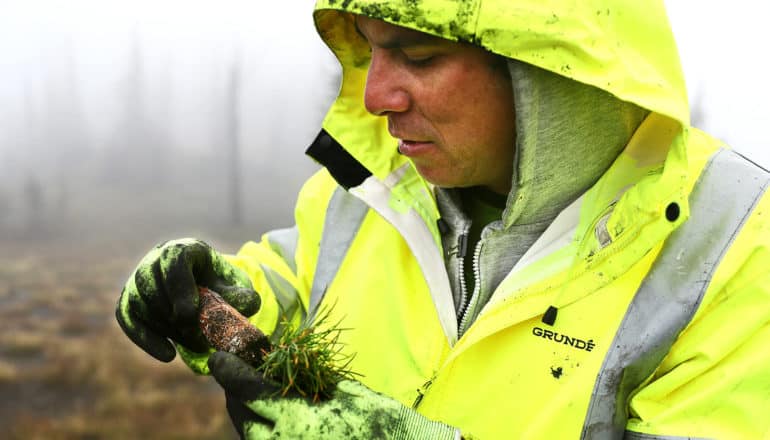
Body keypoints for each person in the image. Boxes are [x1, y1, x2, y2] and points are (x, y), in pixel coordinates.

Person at [116, 0, 770, 438]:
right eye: (371, 51)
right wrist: (216, 289)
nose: (375, 97)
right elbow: (294, 278)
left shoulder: (736, 242)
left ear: (545, 68)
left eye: (418, 57)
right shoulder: (368, 188)